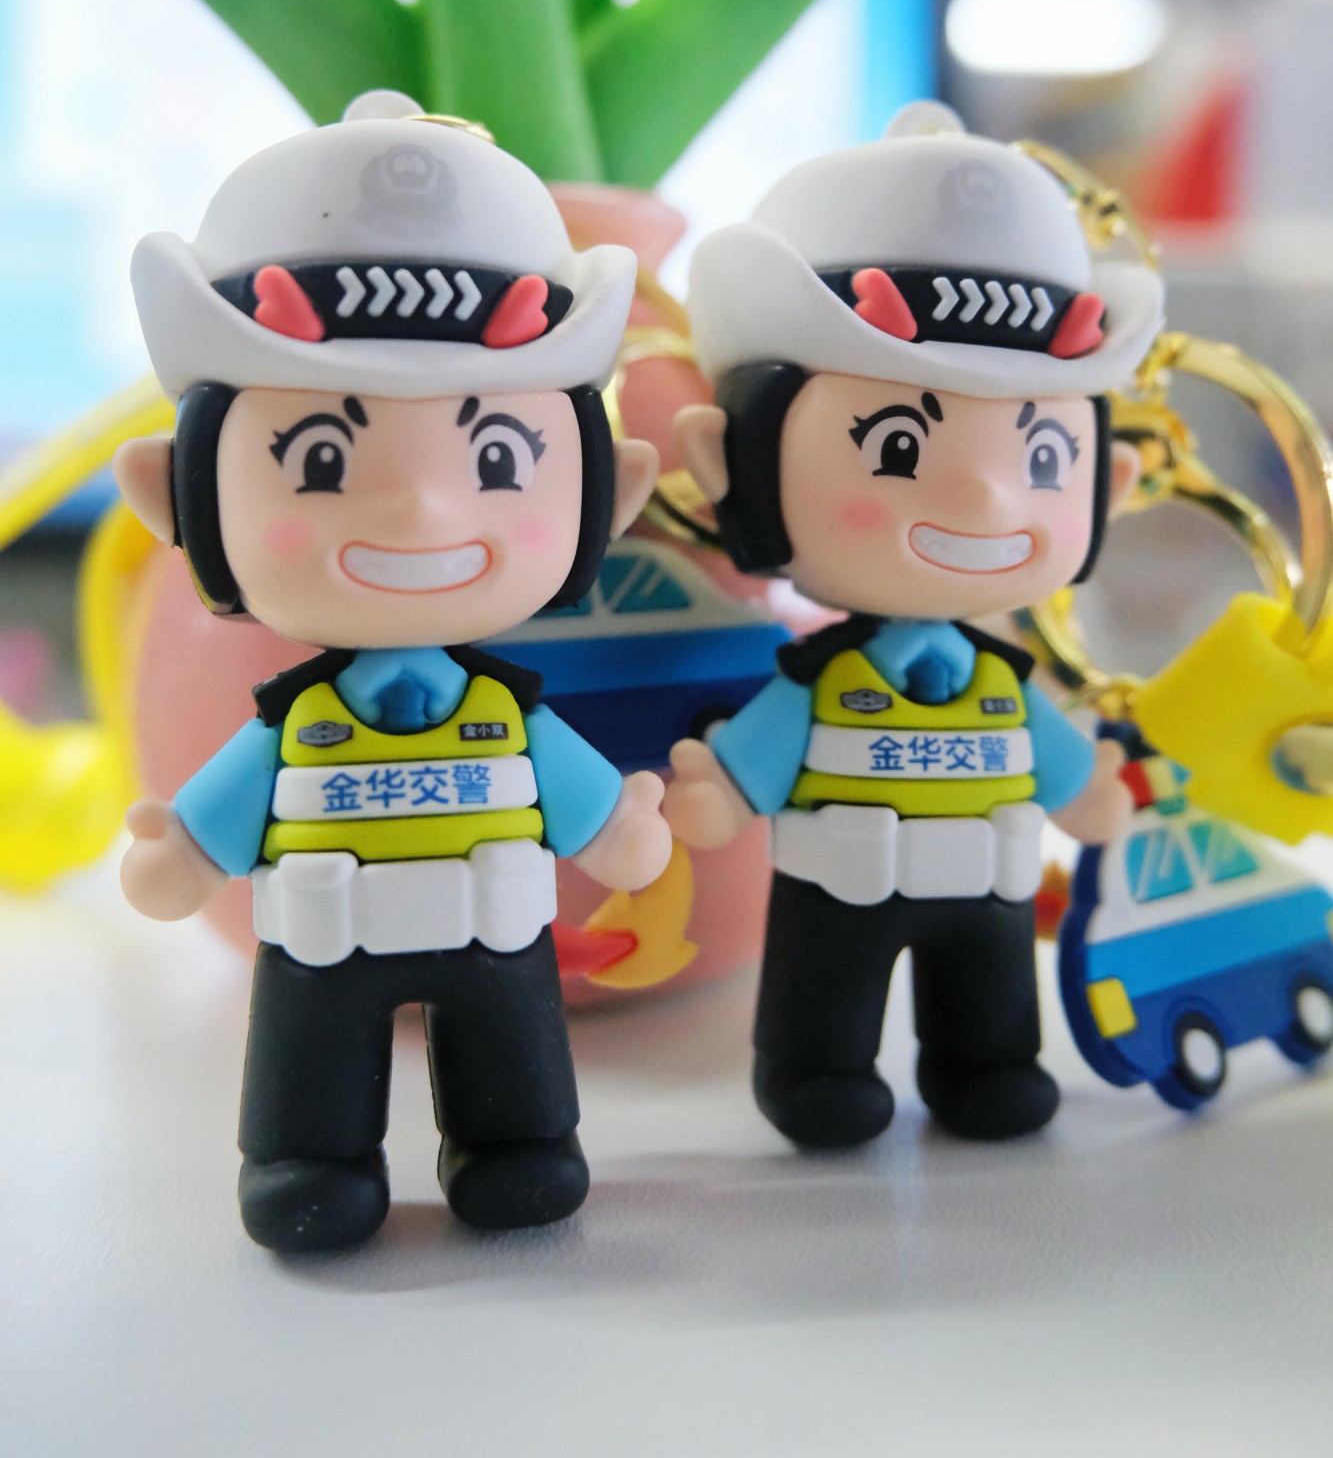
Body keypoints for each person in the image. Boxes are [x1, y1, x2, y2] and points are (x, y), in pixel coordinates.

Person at [115, 92, 671, 1252]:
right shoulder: (294, 726)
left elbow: (591, 814)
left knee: (513, 1066)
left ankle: (515, 1141)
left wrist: (619, 830)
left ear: (604, 497)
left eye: (496, 457)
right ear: (179, 497)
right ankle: (307, 1156)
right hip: (324, 940)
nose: (421, 507)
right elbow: (209, 831)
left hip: (494, 932)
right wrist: (183, 854)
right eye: (321, 458)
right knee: (310, 1066)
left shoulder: (507, 718)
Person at [665, 101, 1162, 1147]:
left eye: (1040, 457)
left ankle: (985, 1060)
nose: (985, 496)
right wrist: (719, 791)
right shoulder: (816, 683)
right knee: (823, 999)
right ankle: (812, 1068)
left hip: (987, 887)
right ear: (734, 466)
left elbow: (1068, 778)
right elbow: (746, 770)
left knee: (989, 1001)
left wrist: (1091, 794)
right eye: (897, 445)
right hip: (838, 880)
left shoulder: (1002, 686)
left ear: (1107, 486)